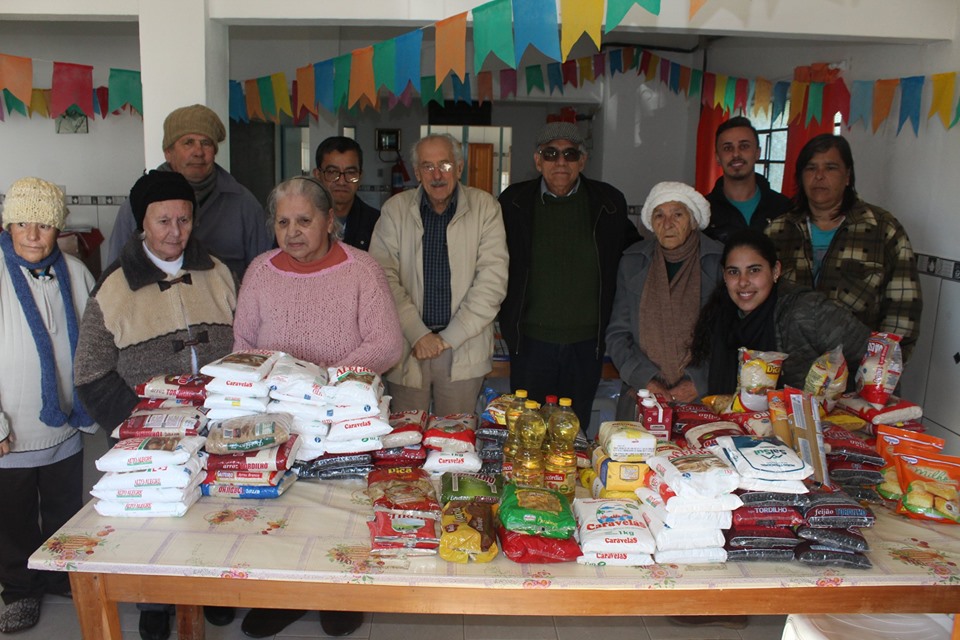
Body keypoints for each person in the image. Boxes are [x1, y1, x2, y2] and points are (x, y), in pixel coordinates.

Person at [233, 176, 402, 639]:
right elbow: (243, 344)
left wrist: (325, 384)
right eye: (283, 221)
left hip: (342, 418)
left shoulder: (361, 269)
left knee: (341, 510)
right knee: (277, 510)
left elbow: (386, 344)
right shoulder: (260, 270)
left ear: (330, 220)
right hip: (279, 421)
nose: (293, 231)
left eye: (304, 220)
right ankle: (282, 597)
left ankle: (340, 595)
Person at [73, 171, 237, 640]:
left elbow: (245, 346)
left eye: (184, 219)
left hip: (215, 423)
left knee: (212, 515)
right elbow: (89, 372)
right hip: (144, 432)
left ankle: (211, 592)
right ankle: (155, 600)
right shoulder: (114, 286)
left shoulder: (217, 272)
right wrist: (141, 424)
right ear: (142, 222)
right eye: (162, 220)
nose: (174, 231)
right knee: (153, 522)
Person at [0, 178, 97, 634]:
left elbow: (97, 342)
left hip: (63, 426)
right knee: (12, 516)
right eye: (23, 223)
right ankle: (18, 589)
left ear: (58, 227)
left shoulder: (75, 272)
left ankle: (58, 575)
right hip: (12, 432)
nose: (33, 235)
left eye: (43, 225)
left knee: (63, 508)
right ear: (8, 224)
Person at [499, 121, 640, 430]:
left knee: (571, 433)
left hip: (587, 343)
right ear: (537, 160)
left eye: (569, 154)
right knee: (527, 431)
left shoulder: (609, 202)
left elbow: (634, 258)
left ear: (582, 160)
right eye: (550, 154)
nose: (560, 162)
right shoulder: (512, 202)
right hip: (530, 341)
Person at [369, 133, 508, 416]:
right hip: (409, 348)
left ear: (459, 168)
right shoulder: (395, 211)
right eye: (427, 166)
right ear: (417, 172)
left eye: (444, 165)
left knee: (455, 447)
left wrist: (447, 338)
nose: (436, 175)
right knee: (405, 442)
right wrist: (418, 334)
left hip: (462, 347)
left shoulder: (486, 209)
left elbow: (492, 283)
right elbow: (382, 279)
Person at [766, 134, 922, 361]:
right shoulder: (778, 231)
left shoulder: (882, 229)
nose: (819, 176)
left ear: (847, 176)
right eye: (810, 168)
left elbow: (903, 309)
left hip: (857, 371)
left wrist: (882, 368)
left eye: (830, 168)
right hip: (789, 370)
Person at [690, 229, 871, 393]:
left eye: (754, 270)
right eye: (733, 272)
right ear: (724, 275)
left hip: (817, 425)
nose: (743, 281)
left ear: (775, 270)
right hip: (749, 425)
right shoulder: (722, 316)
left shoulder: (806, 311)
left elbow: (876, 357)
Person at [106, 104, 271, 280]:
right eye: (188, 142)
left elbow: (266, 274)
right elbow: (114, 276)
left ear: (215, 151)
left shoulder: (244, 204)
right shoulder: (138, 204)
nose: (198, 152)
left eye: (206, 143)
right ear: (168, 152)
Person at [606, 182, 722, 419]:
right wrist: (646, 380)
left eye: (677, 214)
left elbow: (729, 335)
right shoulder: (633, 262)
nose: (667, 224)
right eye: (659, 215)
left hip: (703, 395)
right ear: (651, 223)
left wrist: (698, 382)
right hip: (644, 393)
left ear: (692, 220)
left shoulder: (719, 261)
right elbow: (618, 334)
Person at [703, 116, 791, 244]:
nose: (736, 154)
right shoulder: (704, 212)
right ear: (717, 157)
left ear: (757, 153)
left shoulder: (783, 208)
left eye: (744, 146)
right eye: (728, 148)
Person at [313, 136, 380, 250]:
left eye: (350, 173)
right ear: (318, 175)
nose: (342, 181)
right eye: (332, 172)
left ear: (360, 176)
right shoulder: (299, 220)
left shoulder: (376, 222)